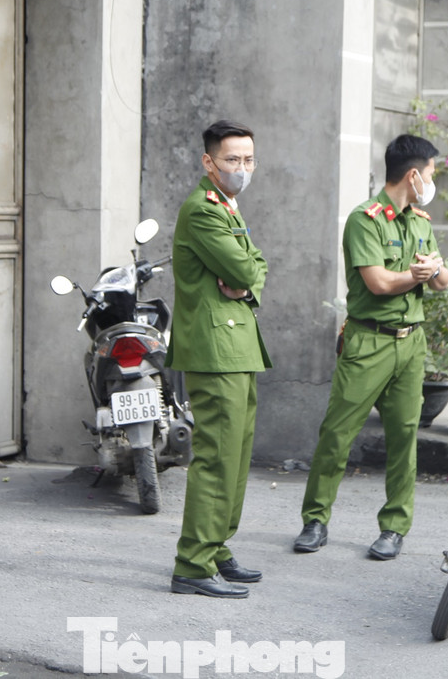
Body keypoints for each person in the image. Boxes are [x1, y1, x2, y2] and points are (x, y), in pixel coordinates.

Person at [293, 134, 448, 560]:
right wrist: (417, 277)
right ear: (414, 175)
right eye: (432, 173)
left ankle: (395, 527)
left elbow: (442, 279)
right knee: (338, 434)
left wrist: (434, 271)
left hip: (410, 345)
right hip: (368, 342)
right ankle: (315, 520)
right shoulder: (365, 219)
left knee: (404, 439)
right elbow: (377, 282)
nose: (433, 182)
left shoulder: (420, 221)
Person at [168, 120, 271, 599]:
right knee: (216, 457)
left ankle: (216, 547)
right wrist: (248, 276)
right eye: (232, 160)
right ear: (209, 162)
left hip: (237, 347)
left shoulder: (228, 206)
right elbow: (247, 266)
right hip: (215, 349)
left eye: (248, 159)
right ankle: (192, 563)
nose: (242, 168)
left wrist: (248, 278)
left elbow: (257, 269)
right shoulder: (203, 210)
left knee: (236, 455)